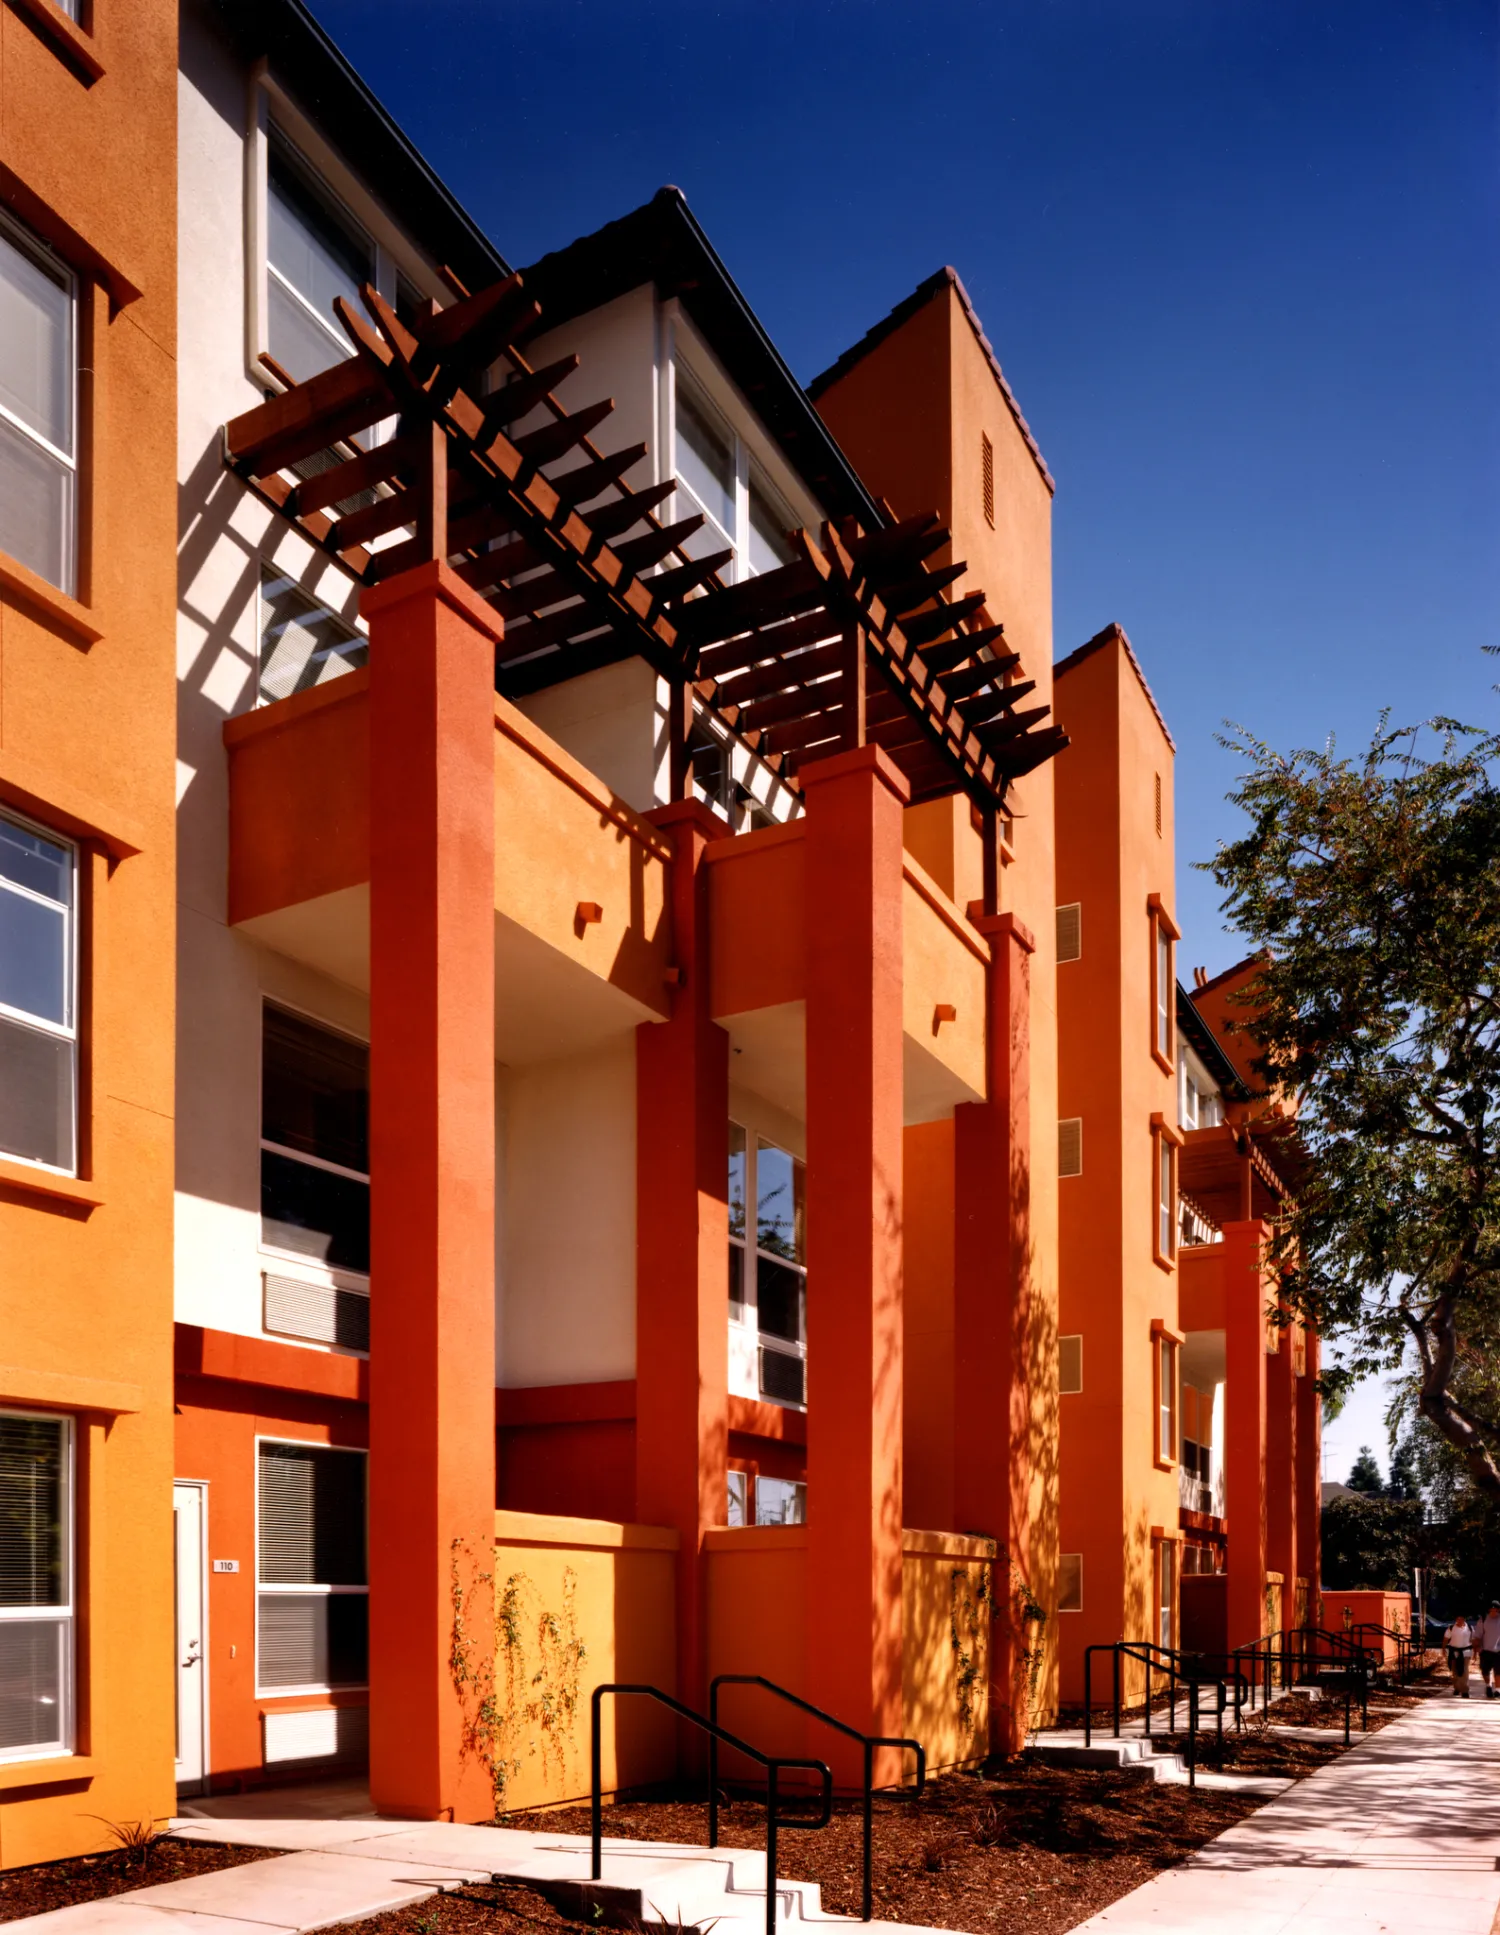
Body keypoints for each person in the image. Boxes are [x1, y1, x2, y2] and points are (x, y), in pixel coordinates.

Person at [1445, 1613, 1474, 1696]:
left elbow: (1473, 1641)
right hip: (1454, 1651)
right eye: (1458, 1619)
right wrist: (1443, 1649)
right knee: (1455, 1671)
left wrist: (1475, 1652)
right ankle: (1457, 1688)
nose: (1459, 1621)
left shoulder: (1469, 1628)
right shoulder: (1451, 1628)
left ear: (1464, 1619)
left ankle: (1465, 1691)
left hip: (1466, 1652)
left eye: (1461, 1619)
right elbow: (1446, 1639)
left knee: (1464, 1671)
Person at [1477, 1602, 1500, 1699]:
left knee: (1498, 1671)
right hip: (1485, 1650)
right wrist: (1477, 1646)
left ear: (1498, 1610)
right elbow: (1478, 1634)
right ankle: (1488, 1686)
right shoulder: (1483, 1619)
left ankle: (1498, 1690)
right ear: (1489, 1610)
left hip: (1499, 1650)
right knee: (1485, 1671)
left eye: (1495, 1610)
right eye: (1491, 1610)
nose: (1493, 1612)